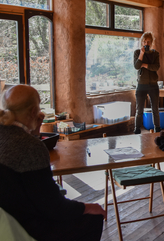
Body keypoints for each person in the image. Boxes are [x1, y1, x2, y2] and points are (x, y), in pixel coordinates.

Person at [0, 85, 106, 241]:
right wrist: (87, 207)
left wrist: (34, 133)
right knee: (92, 218)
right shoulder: (30, 147)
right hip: (24, 227)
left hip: (8, 217)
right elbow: (53, 207)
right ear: (32, 112)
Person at [134, 32, 161, 134]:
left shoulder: (155, 54)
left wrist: (144, 65)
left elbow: (156, 67)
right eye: (144, 41)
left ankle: (157, 129)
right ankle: (137, 129)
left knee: (155, 109)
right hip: (141, 85)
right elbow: (136, 66)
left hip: (153, 85)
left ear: (151, 42)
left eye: (148, 41)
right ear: (142, 42)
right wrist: (141, 54)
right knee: (139, 110)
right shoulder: (137, 52)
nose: (146, 43)